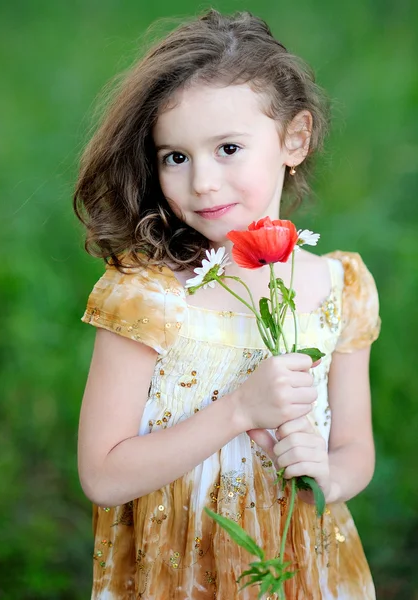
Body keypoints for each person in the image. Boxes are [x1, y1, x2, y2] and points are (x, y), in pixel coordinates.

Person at [74, 9, 381, 599]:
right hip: (179, 570)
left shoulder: (337, 285)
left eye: (229, 148)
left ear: (295, 138)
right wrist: (241, 409)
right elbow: (102, 475)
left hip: (300, 563)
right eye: (176, 157)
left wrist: (329, 476)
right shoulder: (148, 292)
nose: (204, 183)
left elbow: (355, 448)